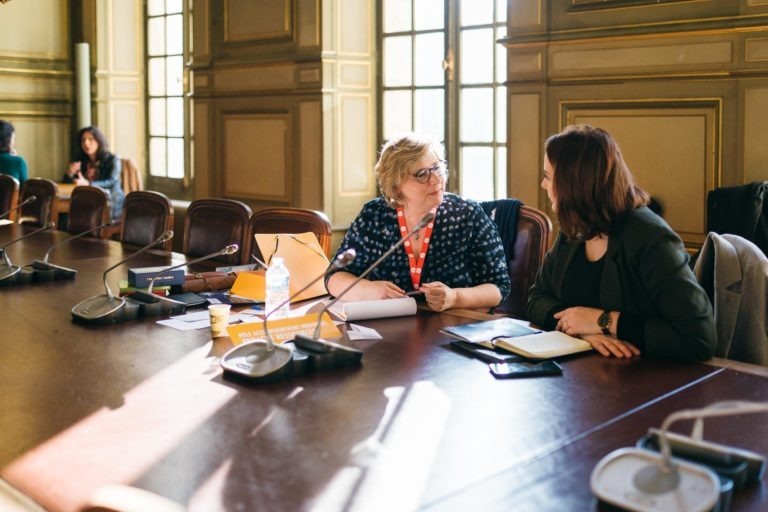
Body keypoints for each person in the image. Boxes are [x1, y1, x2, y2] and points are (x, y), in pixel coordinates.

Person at [527, 124, 716, 361]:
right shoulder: (575, 228)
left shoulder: (650, 237)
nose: (543, 185)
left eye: (547, 176)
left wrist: (603, 321)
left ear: (575, 183)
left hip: (650, 380)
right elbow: (536, 298)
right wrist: (578, 329)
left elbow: (699, 338)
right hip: (585, 376)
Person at [326, 132, 510, 311]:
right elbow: (333, 278)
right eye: (422, 174)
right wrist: (369, 290)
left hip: (453, 328)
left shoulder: (467, 215)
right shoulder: (374, 215)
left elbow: (499, 287)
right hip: (390, 327)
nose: (436, 179)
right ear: (396, 187)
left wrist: (455, 297)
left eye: (437, 168)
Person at [63, 126, 124, 220]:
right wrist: (69, 173)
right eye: (83, 140)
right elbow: (67, 183)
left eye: (90, 139)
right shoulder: (81, 159)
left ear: (99, 141)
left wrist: (88, 184)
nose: (86, 143)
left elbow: (111, 181)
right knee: (64, 216)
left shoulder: (112, 159)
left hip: (111, 202)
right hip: (88, 200)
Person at [0, 120, 29, 184]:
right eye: (13, 139)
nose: (14, 142)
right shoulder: (18, 162)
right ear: (7, 140)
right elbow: (24, 191)